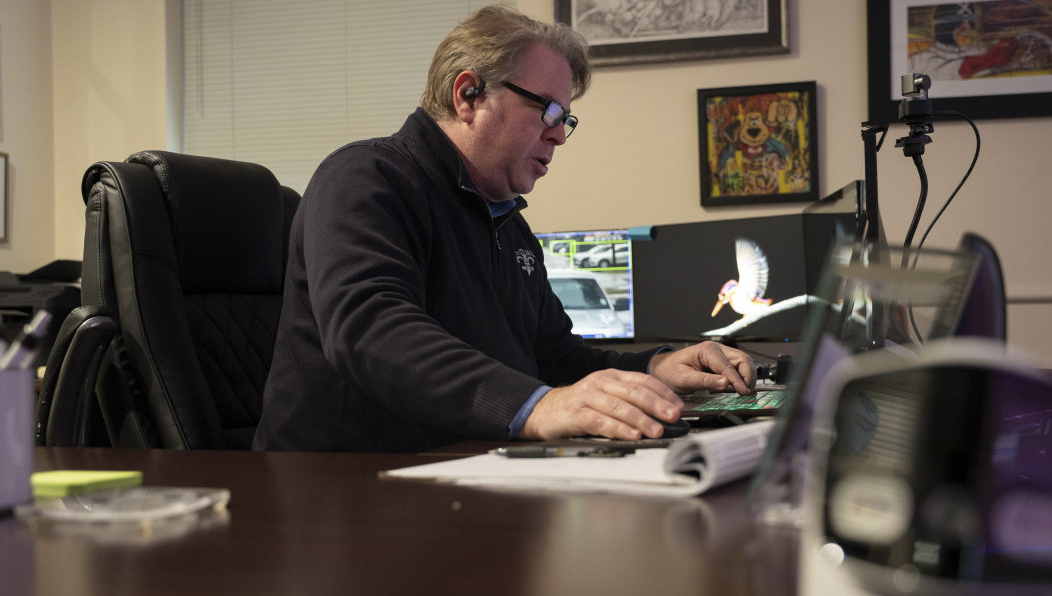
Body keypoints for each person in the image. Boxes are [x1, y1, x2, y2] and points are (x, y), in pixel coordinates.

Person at [254, 6, 756, 453]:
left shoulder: (510, 227)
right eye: (549, 110)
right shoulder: (366, 178)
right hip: (340, 489)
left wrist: (656, 368)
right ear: (469, 95)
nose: (559, 135)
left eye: (566, 119)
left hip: (464, 473)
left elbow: (554, 358)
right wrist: (535, 405)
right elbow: (369, 329)